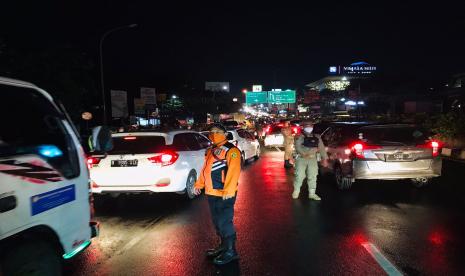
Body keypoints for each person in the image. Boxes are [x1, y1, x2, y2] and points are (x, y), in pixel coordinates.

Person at [193, 123, 242, 265]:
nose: (214, 134)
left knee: (224, 222)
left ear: (225, 134)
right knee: (217, 222)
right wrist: (199, 184)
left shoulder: (232, 150)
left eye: (217, 131)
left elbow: (233, 172)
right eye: (211, 132)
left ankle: (231, 251)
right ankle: (223, 246)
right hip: (211, 192)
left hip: (224, 193)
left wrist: (229, 190)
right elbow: (205, 170)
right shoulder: (211, 150)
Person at [293, 122, 328, 200]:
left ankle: (312, 193)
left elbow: (322, 148)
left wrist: (324, 159)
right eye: (307, 126)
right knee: (300, 176)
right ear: (304, 127)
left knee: (313, 176)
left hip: (312, 159)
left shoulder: (317, 136)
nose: (309, 127)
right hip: (301, 159)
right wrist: (303, 154)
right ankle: (296, 191)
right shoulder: (299, 136)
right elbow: (297, 146)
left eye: (310, 126)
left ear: (312, 127)